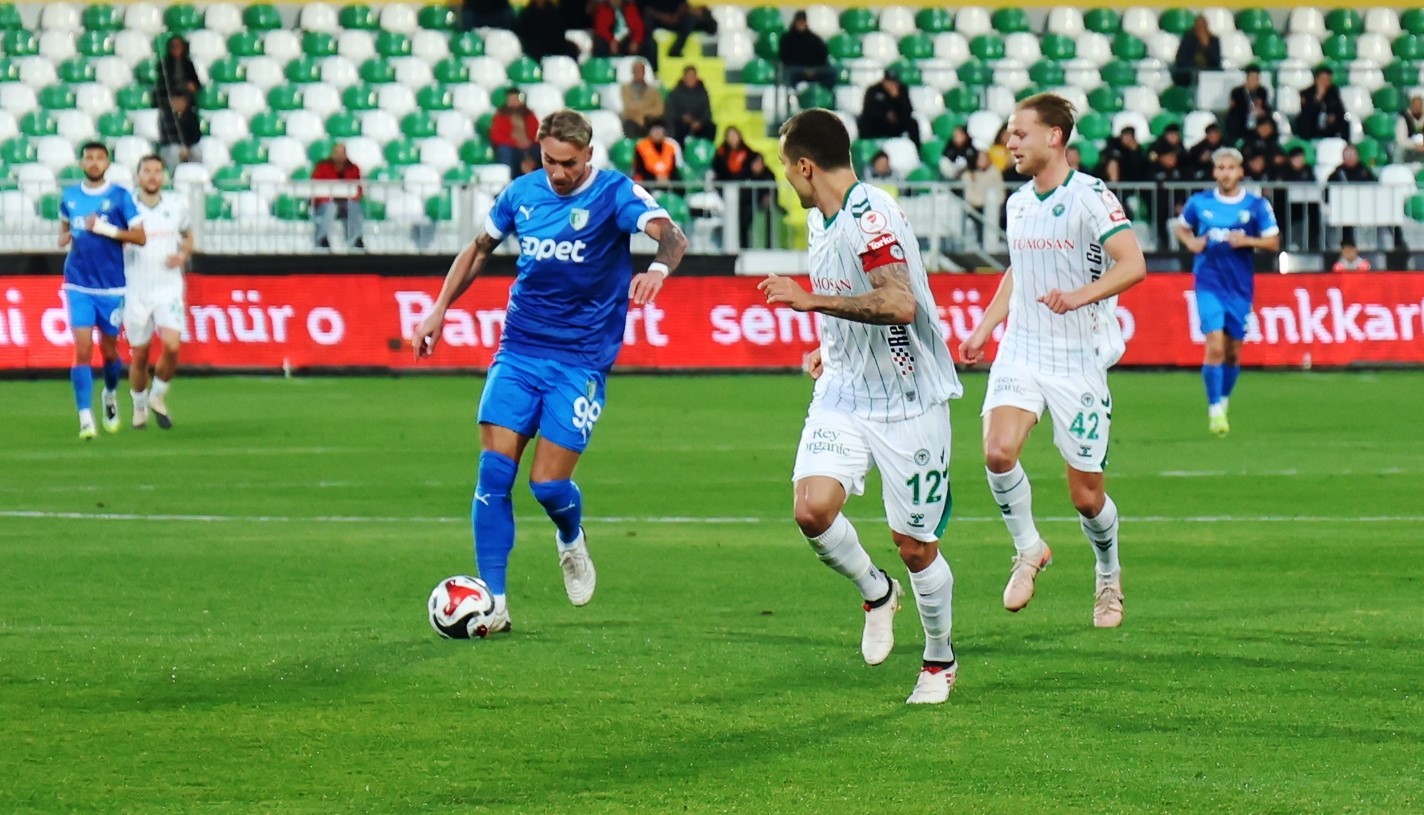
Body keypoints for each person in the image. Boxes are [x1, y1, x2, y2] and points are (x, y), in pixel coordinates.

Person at [412, 109, 688, 634]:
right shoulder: (521, 194)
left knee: (546, 486)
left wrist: (655, 268)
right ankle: (494, 601)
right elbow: (478, 250)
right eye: (549, 161)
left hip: (580, 360)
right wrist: (439, 307)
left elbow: (671, 235)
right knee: (494, 476)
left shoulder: (614, 194)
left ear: (588, 155)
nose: (558, 173)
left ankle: (570, 537)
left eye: (568, 163)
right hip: (518, 350)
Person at [757, 108, 964, 704]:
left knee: (916, 547)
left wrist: (809, 301)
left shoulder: (870, 217)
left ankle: (939, 659)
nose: (785, 181)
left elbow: (899, 305)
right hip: (845, 393)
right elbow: (855, 302)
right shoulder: (823, 218)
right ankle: (876, 592)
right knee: (811, 510)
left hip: (908, 399)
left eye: (785, 169)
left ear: (805, 165)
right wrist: (829, 347)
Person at [958, 93, 1147, 629]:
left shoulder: (1091, 197)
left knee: (1087, 498)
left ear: (1054, 137)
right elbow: (1017, 273)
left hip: (1076, 359)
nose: (1010, 142)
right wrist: (984, 329)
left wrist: (1079, 296)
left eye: (1019, 133)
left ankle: (1107, 574)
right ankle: (1029, 547)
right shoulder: (1018, 203)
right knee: (997, 452)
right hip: (1023, 348)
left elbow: (1133, 264)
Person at [1173, 147, 1278, 436]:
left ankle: (1223, 399)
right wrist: (1191, 243)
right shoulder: (1200, 202)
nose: (1225, 173)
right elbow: (1181, 228)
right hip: (1208, 282)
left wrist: (1246, 241)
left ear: (1241, 171)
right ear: (1214, 171)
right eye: (1220, 168)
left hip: (1239, 287)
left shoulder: (1256, 206)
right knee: (1215, 346)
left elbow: (1273, 243)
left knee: (1233, 353)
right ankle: (1214, 410)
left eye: (1231, 167)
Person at [57, 142, 147, 439]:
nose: (94, 162)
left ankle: (109, 394)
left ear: (107, 162)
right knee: (82, 348)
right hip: (78, 283)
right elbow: (65, 228)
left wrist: (106, 230)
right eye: (89, 158)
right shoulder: (69, 197)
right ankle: (85, 418)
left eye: (99, 157)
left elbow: (140, 236)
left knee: (109, 351)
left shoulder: (120, 197)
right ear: (82, 163)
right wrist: (65, 237)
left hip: (111, 286)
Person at [123, 156, 192, 430]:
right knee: (139, 356)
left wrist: (183, 254)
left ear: (163, 176)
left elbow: (188, 235)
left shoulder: (177, 205)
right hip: (136, 289)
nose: (152, 176)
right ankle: (139, 405)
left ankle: (157, 397)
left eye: (157, 171)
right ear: (138, 176)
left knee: (173, 345)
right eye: (147, 171)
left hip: (168, 287)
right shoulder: (125, 208)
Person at [311, 143, 365, 250]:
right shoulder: (322, 167)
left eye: (342, 153)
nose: (339, 156)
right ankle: (322, 239)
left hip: (346, 201)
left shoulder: (353, 168)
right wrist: (327, 197)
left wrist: (351, 196)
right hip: (326, 201)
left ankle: (355, 239)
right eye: (337, 153)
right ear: (332, 154)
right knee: (330, 207)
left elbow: (359, 190)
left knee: (354, 206)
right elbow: (315, 187)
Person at [857, 69, 918, 146]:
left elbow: (908, 110)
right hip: (879, 121)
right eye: (889, 82)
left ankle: (916, 149)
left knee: (913, 123)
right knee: (864, 121)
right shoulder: (873, 90)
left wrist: (897, 98)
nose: (891, 84)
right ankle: (866, 146)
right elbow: (868, 109)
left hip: (896, 123)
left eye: (894, 82)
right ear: (884, 81)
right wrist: (885, 114)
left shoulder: (902, 90)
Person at [778, 10, 836, 90]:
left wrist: (813, 69)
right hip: (795, 69)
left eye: (803, 22)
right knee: (789, 74)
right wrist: (804, 70)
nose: (801, 25)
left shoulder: (814, 39)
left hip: (815, 69)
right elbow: (785, 58)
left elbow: (822, 55)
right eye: (799, 22)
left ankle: (828, 97)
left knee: (830, 72)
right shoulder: (787, 39)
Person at [591, 0, 658, 68]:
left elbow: (639, 27)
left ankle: (652, 70)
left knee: (650, 43)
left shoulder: (630, 8)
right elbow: (601, 29)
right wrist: (611, 41)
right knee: (600, 43)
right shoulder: (603, 8)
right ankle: (601, 68)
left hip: (626, 40)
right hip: (610, 40)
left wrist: (636, 41)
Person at [640, 0, 716, 59]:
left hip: (677, 18)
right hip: (657, 20)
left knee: (694, 19)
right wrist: (663, 17)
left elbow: (683, 5)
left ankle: (675, 50)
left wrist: (677, 16)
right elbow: (647, 9)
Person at [490, 88, 541, 177]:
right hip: (512, 147)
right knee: (504, 151)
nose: (514, 103)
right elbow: (496, 136)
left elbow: (537, 132)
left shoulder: (529, 115)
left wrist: (529, 142)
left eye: (516, 99)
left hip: (530, 146)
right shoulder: (500, 116)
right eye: (511, 100)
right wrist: (515, 142)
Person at [663, 65, 715, 144]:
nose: (691, 79)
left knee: (710, 128)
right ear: (684, 78)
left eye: (693, 76)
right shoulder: (675, 92)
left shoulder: (702, 92)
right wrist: (682, 117)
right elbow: (670, 111)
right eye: (688, 76)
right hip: (681, 123)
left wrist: (699, 122)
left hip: (699, 123)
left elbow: (707, 112)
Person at [514, 0, 580, 61]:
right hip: (536, 47)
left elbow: (560, 32)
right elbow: (523, 34)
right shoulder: (527, 14)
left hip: (555, 45)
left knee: (571, 48)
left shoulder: (553, 10)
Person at [1295, 66, 1349, 140]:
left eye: (1327, 80)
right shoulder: (1306, 93)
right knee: (1304, 121)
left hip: (1328, 124)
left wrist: (1334, 116)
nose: (1325, 82)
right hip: (1313, 122)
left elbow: (1340, 110)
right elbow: (1306, 112)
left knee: (1344, 123)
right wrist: (1318, 97)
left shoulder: (1333, 92)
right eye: (1323, 79)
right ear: (1316, 79)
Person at [1225, 66, 1271, 145]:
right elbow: (1233, 110)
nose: (1255, 81)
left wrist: (1261, 111)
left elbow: (1266, 107)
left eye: (1257, 78)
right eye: (1253, 78)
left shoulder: (1262, 91)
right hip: (1242, 121)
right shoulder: (1237, 92)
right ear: (1247, 78)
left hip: (1257, 122)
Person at [619, 59, 664, 139]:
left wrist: (645, 113)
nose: (639, 73)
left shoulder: (653, 91)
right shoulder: (625, 89)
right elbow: (629, 107)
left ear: (644, 72)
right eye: (637, 70)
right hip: (632, 121)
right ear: (632, 72)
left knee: (659, 124)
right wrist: (647, 106)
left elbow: (659, 109)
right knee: (629, 124)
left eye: (641, 70)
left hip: (649, 121)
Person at [1173, 14, 1221, 87]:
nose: (1201, 29)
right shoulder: (1188, 39)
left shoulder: (1214, 40)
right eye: (1199, 26)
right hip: (1189, 75)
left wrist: (1207, 46)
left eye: (1203, 26)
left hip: (1209, 75)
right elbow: (1180, 60)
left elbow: (1216, 61)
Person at [157, 93, 202, 169]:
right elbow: (166, 136)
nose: (178, 103)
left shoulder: (191, 116)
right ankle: (173, 175)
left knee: (197, 151)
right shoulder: (165, 116)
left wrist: (186, 146)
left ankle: (196, 172)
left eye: (181, 101)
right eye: (175, 101)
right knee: (174, 151)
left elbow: (196, 135)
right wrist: (181, 146)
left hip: (189, 146)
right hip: (169, 146)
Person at [157, 35, 201, 106]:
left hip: (186, 94)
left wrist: (193, 85)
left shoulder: (188, 64)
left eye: (178, 46)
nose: (176, 48)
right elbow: (163, 83)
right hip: (171, 94)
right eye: (174, 46)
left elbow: (196, 83)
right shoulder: (164, 64)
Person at [1395, 94, 1424, 162]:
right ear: (1411, 106)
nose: (1418, 107)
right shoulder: (1403, 119)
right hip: (1407, 152)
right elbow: (1401, 141)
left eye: (1420, 105)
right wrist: (1415, 145)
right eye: (1416, 105)